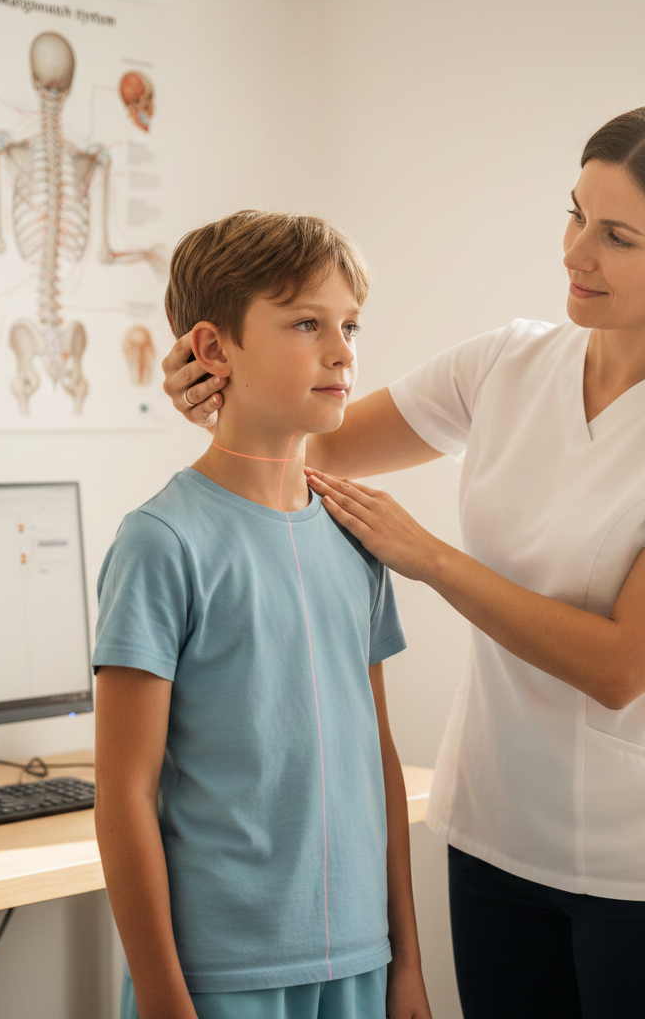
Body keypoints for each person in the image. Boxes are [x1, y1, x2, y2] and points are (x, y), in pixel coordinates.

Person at [164, 103, 645, 1018]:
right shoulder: (509, 362)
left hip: (644, 867)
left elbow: (621, 666)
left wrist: (428, 559)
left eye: (617, 236)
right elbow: (319, 443)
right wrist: (214, 391)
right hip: (492, 835)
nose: (576, 253)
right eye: (574, 214)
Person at [94, 210, 433, 1019]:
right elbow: (125, 796)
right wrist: (167, 1002)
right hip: (219, 974)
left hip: (358, 960)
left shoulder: (356, 536)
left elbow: (377, 761)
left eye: (350, 324)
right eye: (307, 323)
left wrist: (407, 962)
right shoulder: (162, 542)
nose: (344, 350)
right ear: (213, 349)